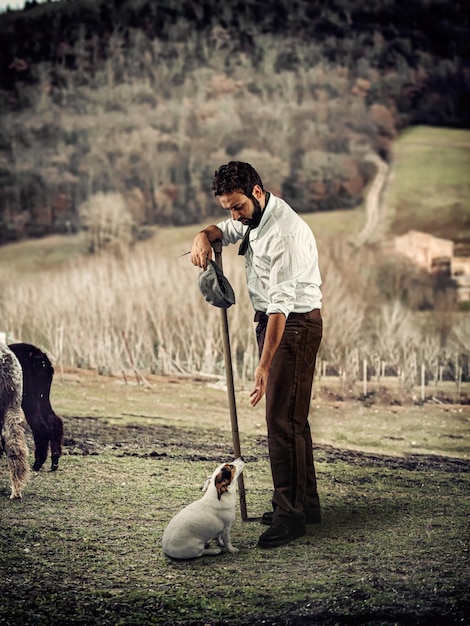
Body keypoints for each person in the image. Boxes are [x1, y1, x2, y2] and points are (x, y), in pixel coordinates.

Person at [190, 161, 323, 549]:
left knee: (281, 420)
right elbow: (225, 230)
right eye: (228, 207)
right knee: (294, 419)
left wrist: (264, 366)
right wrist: (203, 235)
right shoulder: (254, 217)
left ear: (257, 193)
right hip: (274, 321)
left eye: (238, 206)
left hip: (293, 326)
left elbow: (282, 307)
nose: (234, 215)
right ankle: (305, 504)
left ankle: (289, 516)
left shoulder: (283, 233)